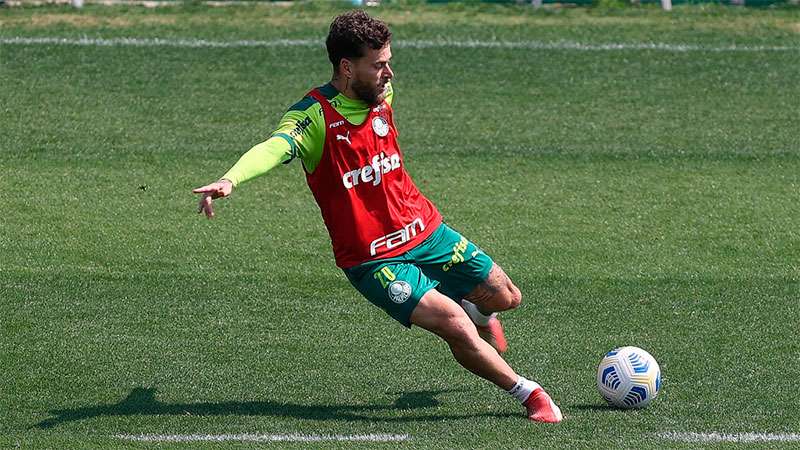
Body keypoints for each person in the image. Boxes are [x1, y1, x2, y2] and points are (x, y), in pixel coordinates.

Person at [193, 10, 562, 424]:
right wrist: (231, 179)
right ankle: (529, 393)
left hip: (425, 229)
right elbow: (274, 146)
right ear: (347, 68)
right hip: (374, 259)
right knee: (454, 325)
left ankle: (480, 312)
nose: (389, 72)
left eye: (388, 60)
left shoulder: (381, 95)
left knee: (506, 297)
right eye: (379, 64)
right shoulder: (313, 118)